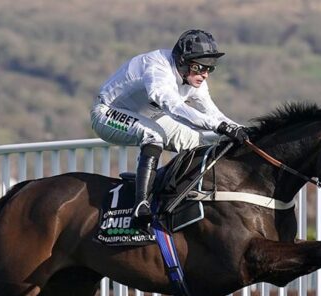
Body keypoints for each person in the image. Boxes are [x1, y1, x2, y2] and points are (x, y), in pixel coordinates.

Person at [91, 29, 250, 219]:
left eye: (210, 68)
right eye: (200, 67)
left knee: (196, 142)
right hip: (107, 114)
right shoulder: (157, 69)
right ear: (182, 62)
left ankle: (179, 195)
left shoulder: (194, 80)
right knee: (153, 135)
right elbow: (173, 107)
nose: (205, 74)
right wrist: (218, 126)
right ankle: (141, 203)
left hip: (149, 116)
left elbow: (214, 114)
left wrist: (242, 130)